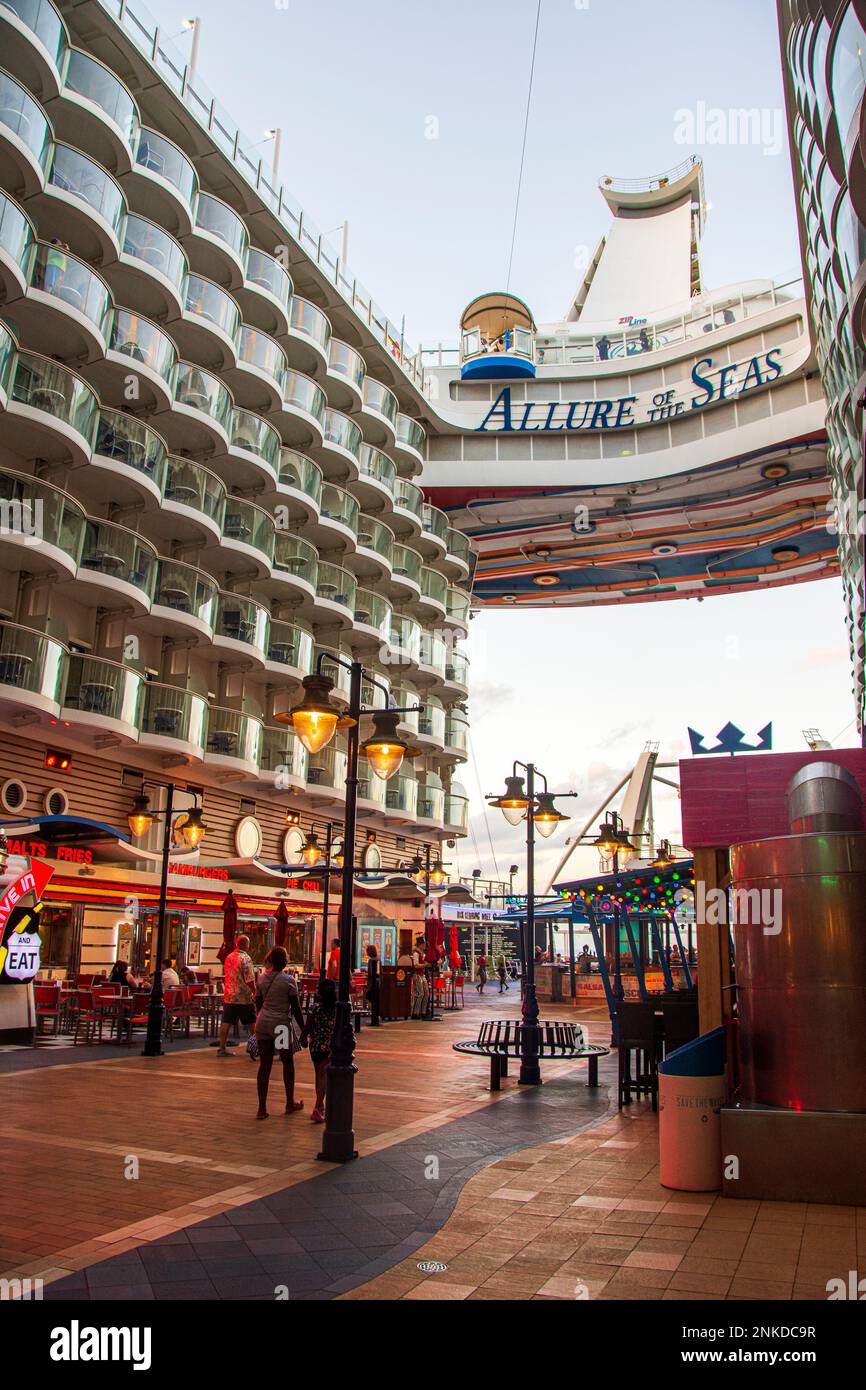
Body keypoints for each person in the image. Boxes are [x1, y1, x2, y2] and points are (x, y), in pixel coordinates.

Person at [254, 946, 305, 1119]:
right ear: (284, 961)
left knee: (264, 1065)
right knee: (287, 1062)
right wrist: (304, 1031)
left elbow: (258, 1004)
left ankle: (262, 1108)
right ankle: (289, 1102)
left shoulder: (261, 979)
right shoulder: (289, 980)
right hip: (281, 1026)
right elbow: (296, 1009)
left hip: (263, 1024)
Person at [299, 977, 337, 1123]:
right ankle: (317, 1107)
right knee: (324, 1077)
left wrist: (303, 1037)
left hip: (314, 1047)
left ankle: (320, 1106)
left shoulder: (315, 1008)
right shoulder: (336, 1008)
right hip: (328, 1047)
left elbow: (308, 1026)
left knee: (318, 1075)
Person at [216, 933, 256, 1057]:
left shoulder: (229, 957)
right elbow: (249, 978)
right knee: (251, 1022)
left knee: (226, 1022)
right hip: (243, 997)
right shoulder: (246, 958)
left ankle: (222, 1047)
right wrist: (255, 992)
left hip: (229, 995)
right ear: (245, 944)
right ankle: (256, 1046)